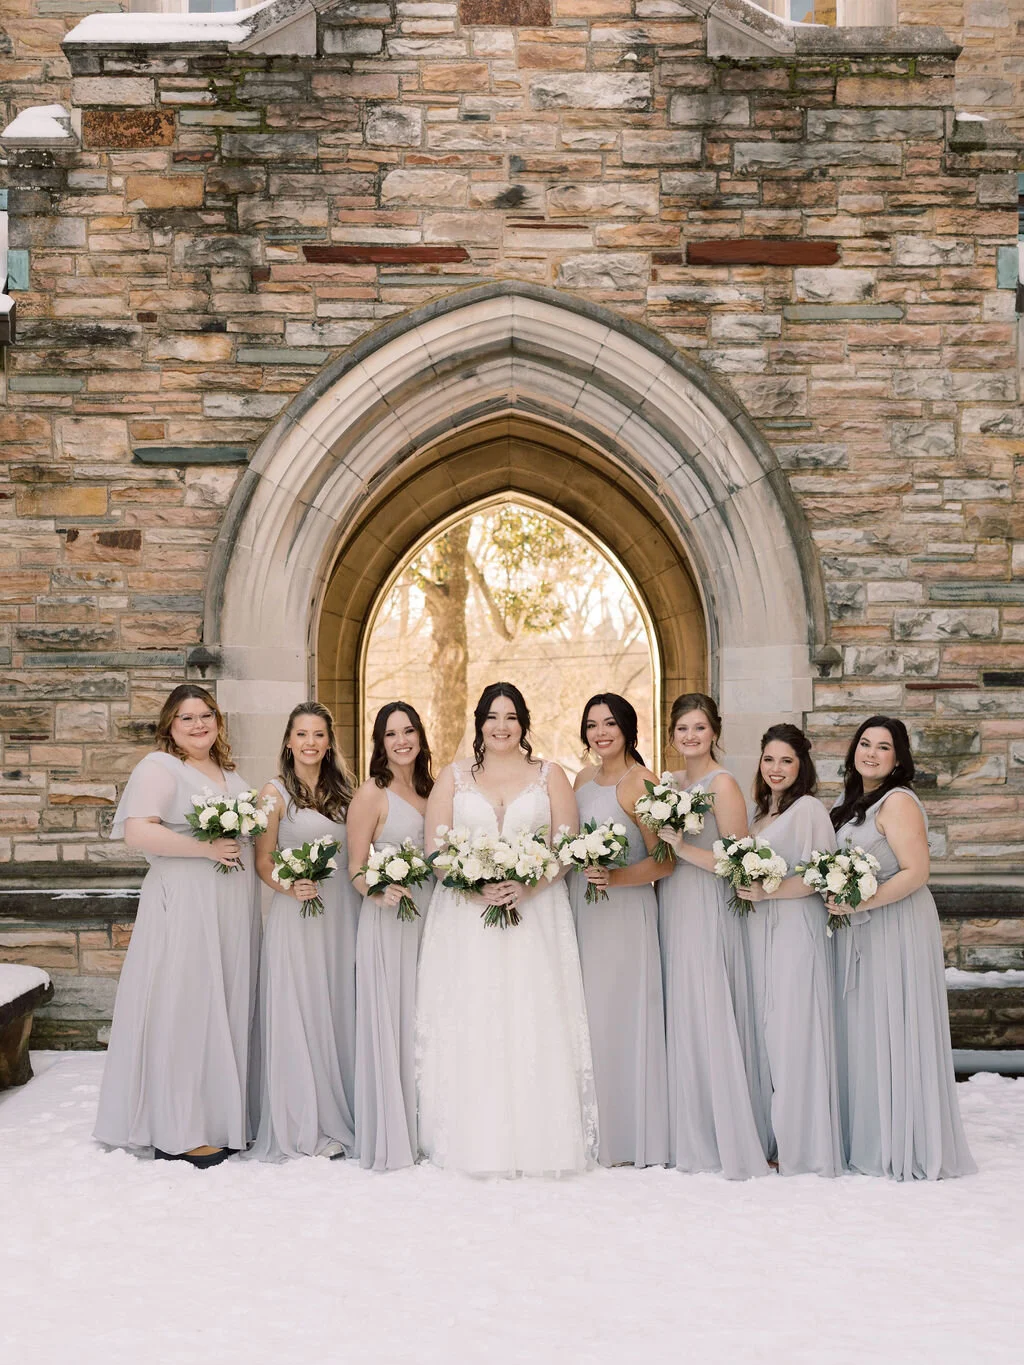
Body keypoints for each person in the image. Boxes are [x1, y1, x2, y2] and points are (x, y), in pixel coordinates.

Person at [415, 682, 598, 1176]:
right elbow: (435, 851)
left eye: (511, 717)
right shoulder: (453, 777)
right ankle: (472, 1139)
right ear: (479, 724)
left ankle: (540, 1140)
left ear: (523, 723)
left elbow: (565, 847)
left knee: (531, 1010)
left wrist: (529, 885)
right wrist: (473, 886)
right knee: (473, 1011)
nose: (502, 726)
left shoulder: (550, 775)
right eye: (492, 717)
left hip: (535, 913)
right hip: (466, 915)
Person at [94, 684, 261, 1167]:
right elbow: (137, 831)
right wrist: (205, 849)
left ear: (218, 721)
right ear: (170, 724)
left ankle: (219, 1117)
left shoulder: (229, 773)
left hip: (230, 903)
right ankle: (177, 1129)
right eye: (186, 718)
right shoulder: (160, 767)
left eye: (206, 715)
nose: (198, 725)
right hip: (187, 900)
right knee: (184, 1004)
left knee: (223, 1003)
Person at [831, 716, 975, 1180]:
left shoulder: (897, 801)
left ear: (898, 759)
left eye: (883, 747)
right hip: (862, 926)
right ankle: (869, 1135)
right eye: (865, 744)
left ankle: (902, 1141)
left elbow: (916, 871)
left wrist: (859, 901)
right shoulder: (849, 802)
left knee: (894, 1023)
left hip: (895, 924)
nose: (871, 753)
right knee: (867, 1028)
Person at [656, 693, 768, 1179]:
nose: (690, 736)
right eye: (682, 728)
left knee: (706, 1005)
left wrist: (683, 849)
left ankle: (719, 1131)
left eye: (699, 728)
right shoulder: (669, 783)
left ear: (714, 732)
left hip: (706, 903)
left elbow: (740, 861)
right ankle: (686, 1125)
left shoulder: (722, 784)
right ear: (672, 734)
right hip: (672, 901)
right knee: (681, 1005)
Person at [249, 702, 360, 1161]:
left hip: (343, 912)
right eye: (302, 734)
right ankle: (304, 1122)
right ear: (288, 741)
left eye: (318, 734)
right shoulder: (273, 793)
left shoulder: (347, 791)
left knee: (338, 1005)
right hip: (298, 913)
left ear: (329, 742)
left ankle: (346, 1109)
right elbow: (263, 860)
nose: (310, 742)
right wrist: (289, 886)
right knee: (302, 1006)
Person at [735, 724, 843, 1177]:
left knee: (793, 1030)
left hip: (795, 929)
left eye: (786, 761)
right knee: (766, 1032)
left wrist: (769, 892)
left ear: (802, 766)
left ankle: (803, 1145)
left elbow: (823, 876)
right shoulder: (758, 815)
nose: (775, 769)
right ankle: (773, 1135)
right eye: (769, 759)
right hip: (759, 930)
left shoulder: (808, 810)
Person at [571, 693, 670, 1168]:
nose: (600, 733)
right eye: (592, 725)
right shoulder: (581, 780)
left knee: (621, 1013)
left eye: (610, 723)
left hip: (626, 912)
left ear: (628, 728)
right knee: (588, 1014)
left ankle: (627, 1134)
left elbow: (664, 862)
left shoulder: (642, 782)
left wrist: (615, 877)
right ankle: (592, 1129)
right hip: (584, 909)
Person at [348, 702, 434, 1172]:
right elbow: (355, 868)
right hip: (389, 919)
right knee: (394, 1018)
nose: (402, 741)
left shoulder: (433, 790)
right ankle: (392, 1131)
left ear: (420, 736)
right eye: (391, 734)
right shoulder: (371, 794)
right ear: (380, 743)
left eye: (409, 731)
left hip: (431, 917)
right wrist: (377, 891)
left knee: (426, 1018)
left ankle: (429, 1125)